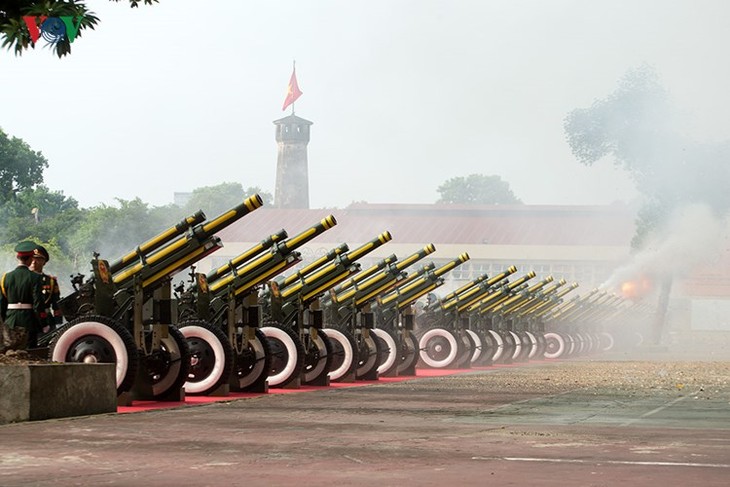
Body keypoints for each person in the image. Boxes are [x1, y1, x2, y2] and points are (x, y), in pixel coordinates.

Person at [0, 241, 45, 353]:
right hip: (29, 322)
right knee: (29, 353)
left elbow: (2, 303)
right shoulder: (35, 278)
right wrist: (42, 323)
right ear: (30, 259)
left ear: (17, 257)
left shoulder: (6, 277)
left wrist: (5, 320)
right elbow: (38, 304)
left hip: (10, 320)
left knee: (9, 353)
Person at [30, 244, 63, 336]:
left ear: (44, 262)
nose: (34, 261)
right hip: (28, 318)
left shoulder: (51, 281)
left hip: (46, 320)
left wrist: (58, 322)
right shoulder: (23, 279)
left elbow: (56, 304)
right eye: (31, 258)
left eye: (38, 259)